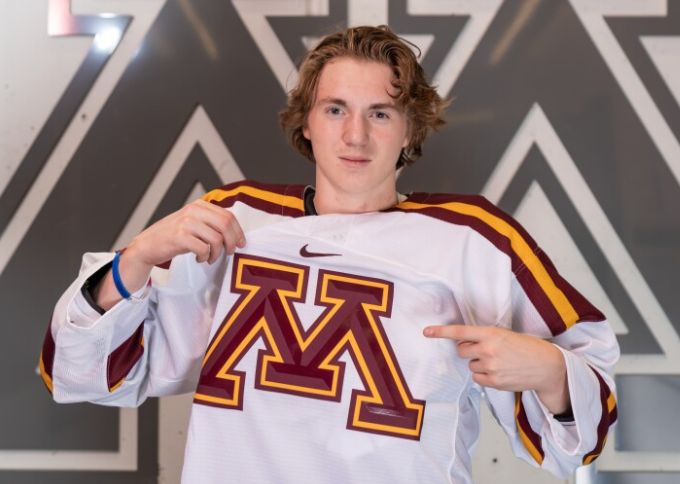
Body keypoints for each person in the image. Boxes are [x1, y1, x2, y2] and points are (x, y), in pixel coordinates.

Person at [41, 25, 619, 484]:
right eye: (336, 109)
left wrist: (550, 371)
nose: (356, 137)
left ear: (410, 129)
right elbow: (81, 372)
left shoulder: (476, 237)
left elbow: (580, 433)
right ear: (308, 124)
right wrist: (136, 260)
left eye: (381, 113)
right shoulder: (233, 218)